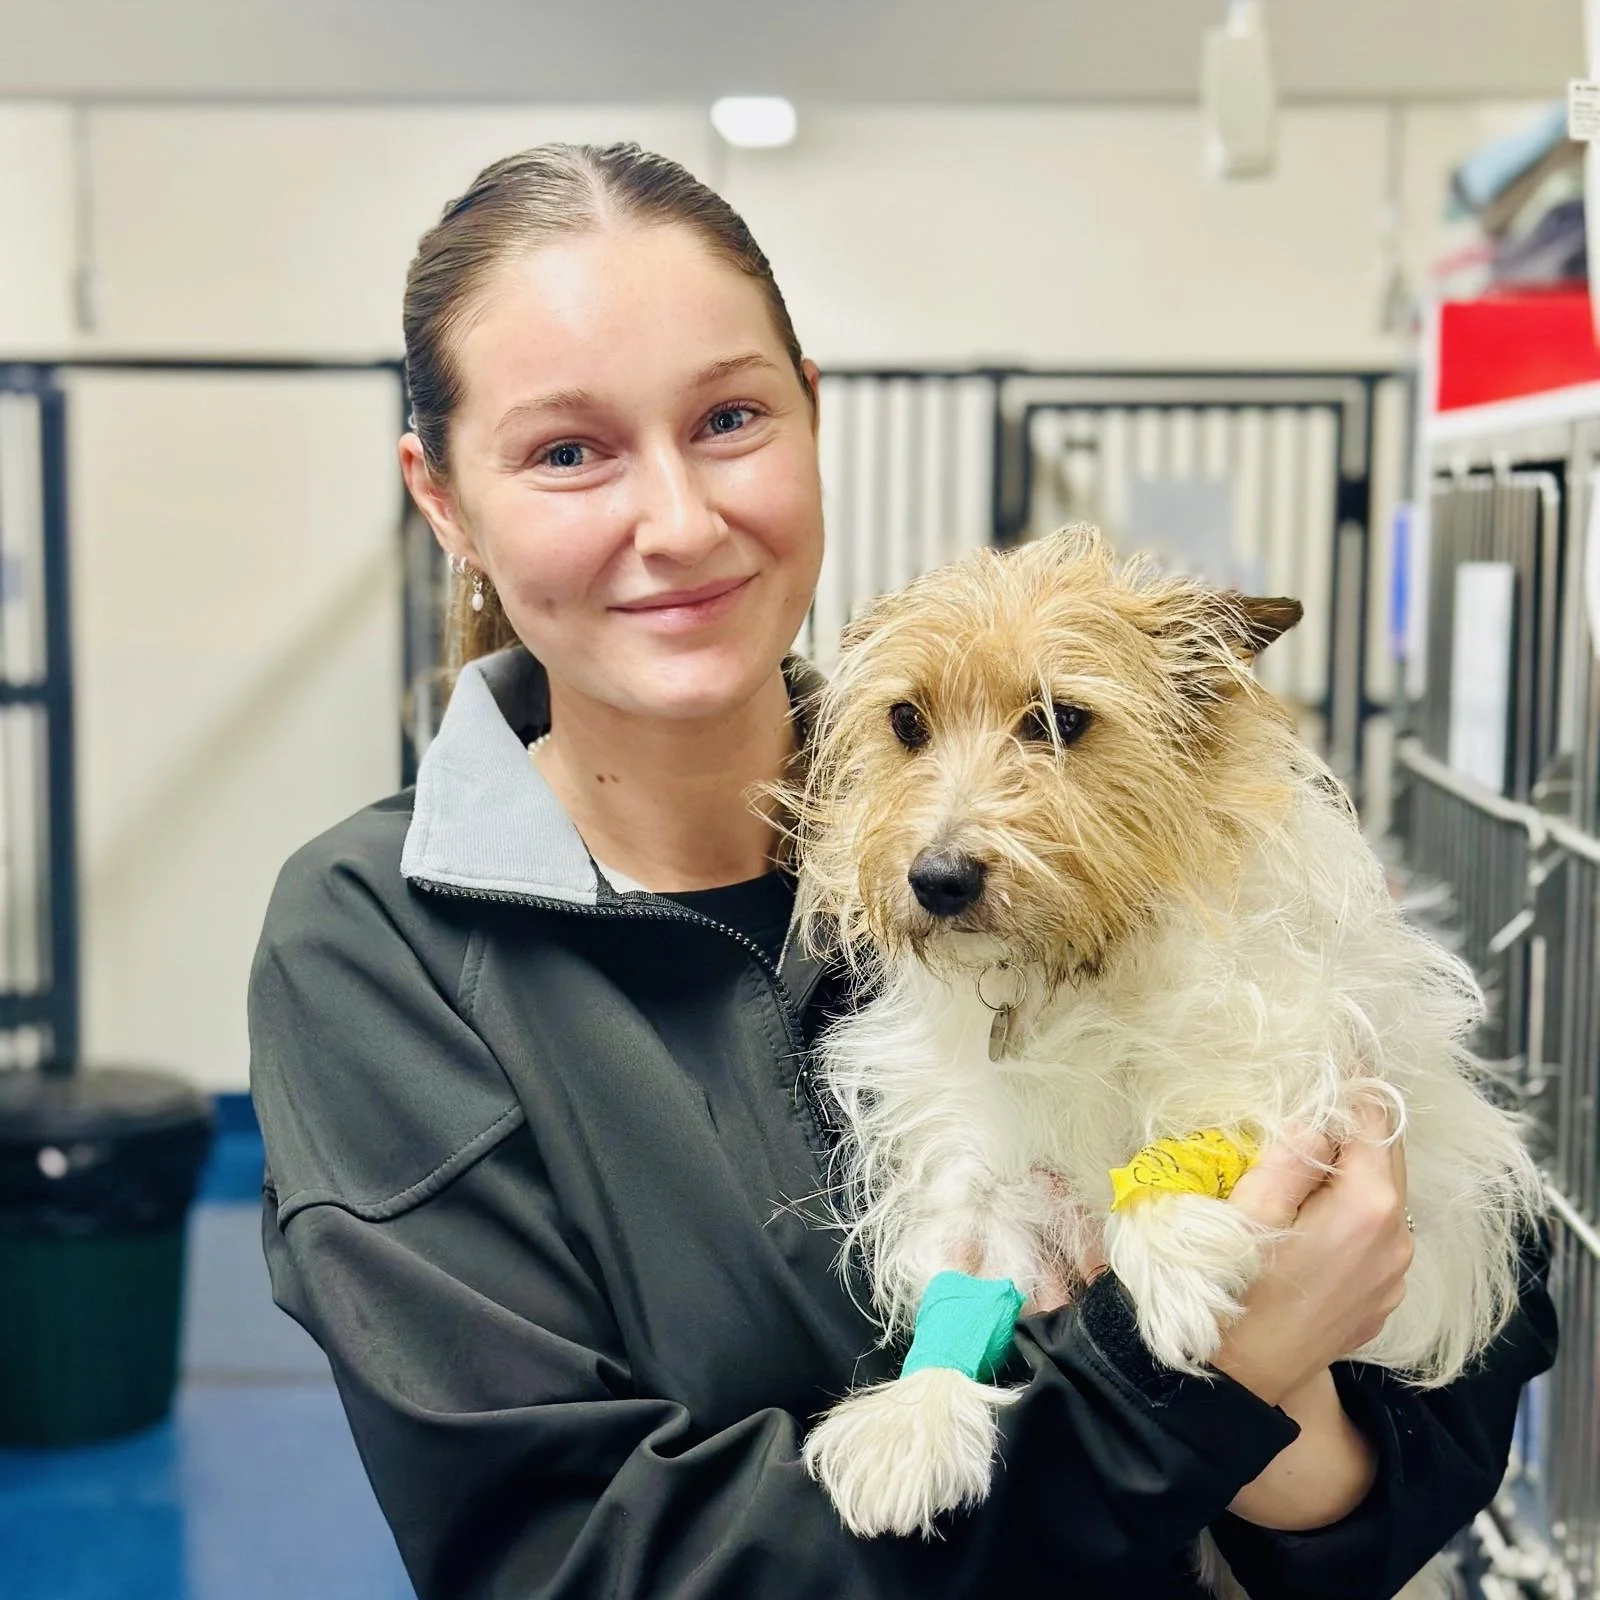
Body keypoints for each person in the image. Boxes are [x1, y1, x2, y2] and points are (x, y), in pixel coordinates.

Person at [250, 142, 1556, 1599]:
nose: (677, 520)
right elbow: (572, 1559)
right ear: (442, 497)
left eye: (730, 415)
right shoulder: (376, 944)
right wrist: (1195, 1387)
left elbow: (1446, 1400)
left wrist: (1304, 1450)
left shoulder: (1163, 845)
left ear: (815, 409)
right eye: (569, 450)